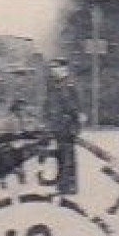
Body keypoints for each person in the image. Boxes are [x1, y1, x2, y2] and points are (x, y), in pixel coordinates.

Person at [44, 59, 82, 195]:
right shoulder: (54, 85)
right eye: (52, 68)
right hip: (56, 126)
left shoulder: (69, 85)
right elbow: (48, 105)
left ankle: (68, 187)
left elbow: (76, 108)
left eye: (56, 68)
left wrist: (75, 128)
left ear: (64, 69)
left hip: (66, 127)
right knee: (60, 157)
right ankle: (62, 185)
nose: (53, 70)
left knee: (67, 158)